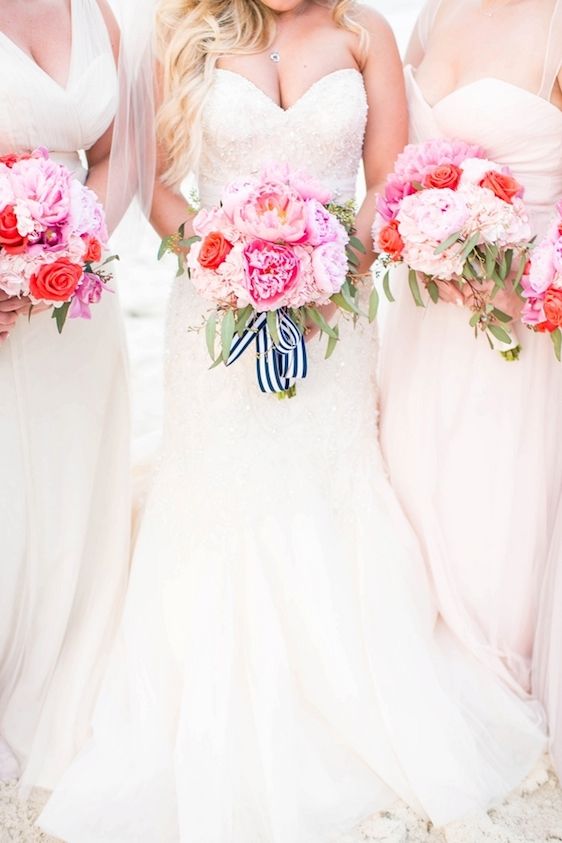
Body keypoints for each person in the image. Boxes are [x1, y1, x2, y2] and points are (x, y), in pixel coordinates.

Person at [39, 2, 547, 841]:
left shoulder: (365, 33)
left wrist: (329, 263)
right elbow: (156, 186)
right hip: (215, 319)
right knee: (217, 492)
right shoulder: (186, 31)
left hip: (333, 319)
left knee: (328, 482)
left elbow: (385, 181)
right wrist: (221, 255)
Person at [379, 0, 562, 766]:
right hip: (427, 316)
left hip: (515, 319)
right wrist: (422, 242)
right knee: (416, 485)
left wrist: (522, 265)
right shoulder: (435, 13)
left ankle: (496, 669)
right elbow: (400, 166)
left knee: (498, 500)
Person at [0, 0, 131, 792]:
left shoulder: (98, 15)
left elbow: (116, 154)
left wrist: (78, 239)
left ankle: (59, 675)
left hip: (79, 309)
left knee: (72, 496)